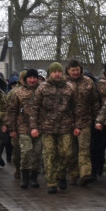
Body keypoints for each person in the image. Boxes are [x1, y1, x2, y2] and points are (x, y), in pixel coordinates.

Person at [34, 62, 76, 194]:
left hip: (65, 126)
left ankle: (61, 174)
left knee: (66, 153)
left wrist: (77, 125)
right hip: (47, 127)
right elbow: (34, 108)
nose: (57, 74)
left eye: (59, 71)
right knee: (49, 154)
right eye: (54, 72)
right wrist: (34, 126)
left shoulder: (69, 88)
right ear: (49, 73)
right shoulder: (42, 88)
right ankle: (51, 182)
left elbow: (76, 108)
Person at [64, 59, 101, 187]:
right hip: (68, 123)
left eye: (77, 70)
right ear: (68, 71)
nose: (75, 72)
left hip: (85, 121)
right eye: (72, 70)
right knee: (70, 151)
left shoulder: (88, 82)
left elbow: (95, 101)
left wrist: (97, 118)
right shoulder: (64, 83)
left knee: (84, 149)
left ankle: (85, 174)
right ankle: (73, 174)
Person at [4, 68, 42, 188]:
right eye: (30, 78)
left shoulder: (42, 91)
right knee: (26, 151)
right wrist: (12, 129)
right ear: (25, 79)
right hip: (23, 127)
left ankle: (34, 177)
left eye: (34, 78)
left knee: (36, 153)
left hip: (39, 127)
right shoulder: (18, 92)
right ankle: (24, 176)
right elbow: (12, 111)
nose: (32, 80)